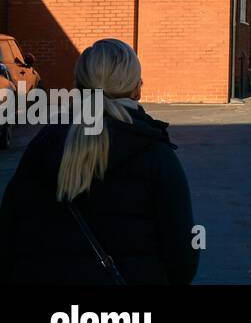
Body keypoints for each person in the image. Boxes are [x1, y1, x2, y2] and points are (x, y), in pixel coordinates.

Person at [0, 39, 199, 285]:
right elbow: (184, 252)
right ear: (137, 89)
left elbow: (9, 234)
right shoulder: (156, 156)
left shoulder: (44, 146)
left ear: (78, 86)